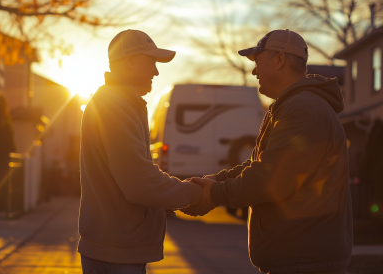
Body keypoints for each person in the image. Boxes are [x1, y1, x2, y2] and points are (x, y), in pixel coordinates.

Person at [184, 29, 353, 274]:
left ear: (280, 59)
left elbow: (271, 178)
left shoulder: (301, 108)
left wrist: (215, 194)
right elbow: (263, 164)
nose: (254, 71)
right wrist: (217, 180)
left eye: (257, 61)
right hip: (300, 259)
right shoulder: (294, 106)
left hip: (304, 263)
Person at [78, 29, 207, 273]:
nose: (156, 72)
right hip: (115, 254)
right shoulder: (113, 106)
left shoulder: (123, 104)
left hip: (118, 249)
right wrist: (195, 195)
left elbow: (135, 176)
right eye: (152, 62)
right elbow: (139, 181)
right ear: (130, 61)